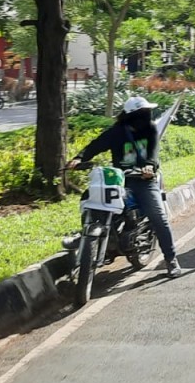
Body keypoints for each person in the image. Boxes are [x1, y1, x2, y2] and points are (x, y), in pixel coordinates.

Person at [66, 96, 183, 277]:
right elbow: (96, 145)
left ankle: (171, 259)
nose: (147, 115)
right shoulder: (117, 131)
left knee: (158, 216)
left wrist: (149, 166)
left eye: (147, 112)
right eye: (143, 113)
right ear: (132, 115)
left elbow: (153, 152)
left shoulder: (150, 130)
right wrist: (80, 158)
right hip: (119, 180)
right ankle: (86, 235)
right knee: (90, 198)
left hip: (144, 181)